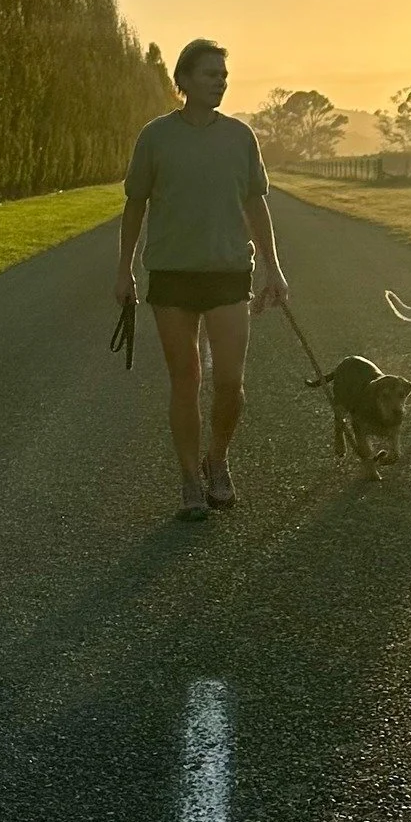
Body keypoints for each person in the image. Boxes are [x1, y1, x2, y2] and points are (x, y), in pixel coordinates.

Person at [115, 38, 290, 520]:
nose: (220, 80)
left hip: (229, 272)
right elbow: (135, 204)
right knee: (185, 380)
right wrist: (124, 269)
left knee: (230, 383)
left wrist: (274, 267)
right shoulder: (155, 137)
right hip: (171, 276)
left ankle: (219, 459)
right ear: (184, 80)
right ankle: (191, 478)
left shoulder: (240, 138)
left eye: (223, 74)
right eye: (210, 73)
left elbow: (256, 203)